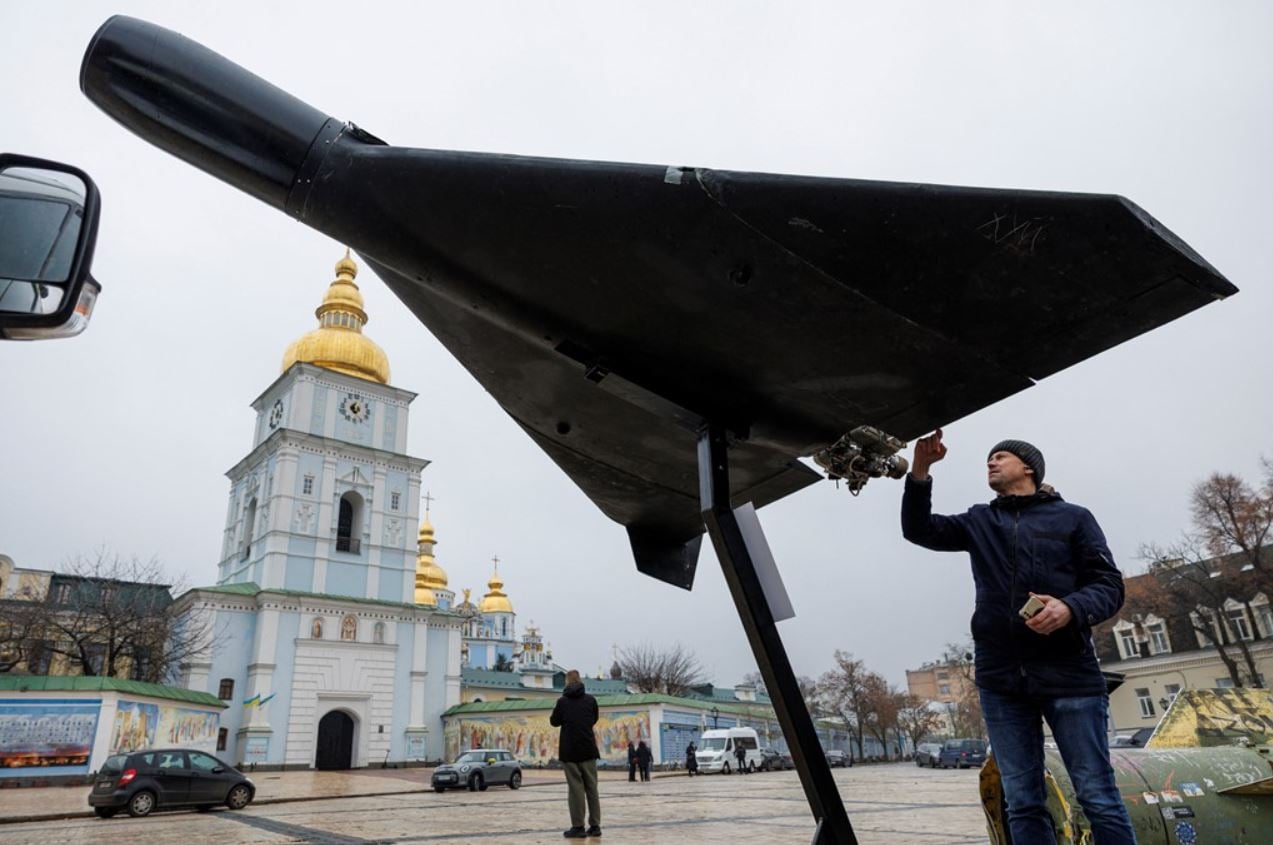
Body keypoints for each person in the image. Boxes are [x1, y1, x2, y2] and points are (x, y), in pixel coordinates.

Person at [901, 430, 1136, 845]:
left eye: (1000, 457)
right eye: (988, 459)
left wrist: (1069, 608)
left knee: (1097, 796)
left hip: (1069, 675)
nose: (991, 463)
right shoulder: (980, 520)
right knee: (1022, 801)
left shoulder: (1073, 518)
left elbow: (1109, 585)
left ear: (1028, 468)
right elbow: (919, 529)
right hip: (1002, 680)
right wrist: (920, 471)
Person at [550, 669, 602, 838]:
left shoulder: (562, 702)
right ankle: (595, 826)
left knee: (575, 789)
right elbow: (594, 719)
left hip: (570, 751)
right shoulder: (591, 700)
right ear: (580, 681)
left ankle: (578, 826)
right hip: (588, 749)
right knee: (592, 788)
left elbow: (554, 722)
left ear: (567, 682)